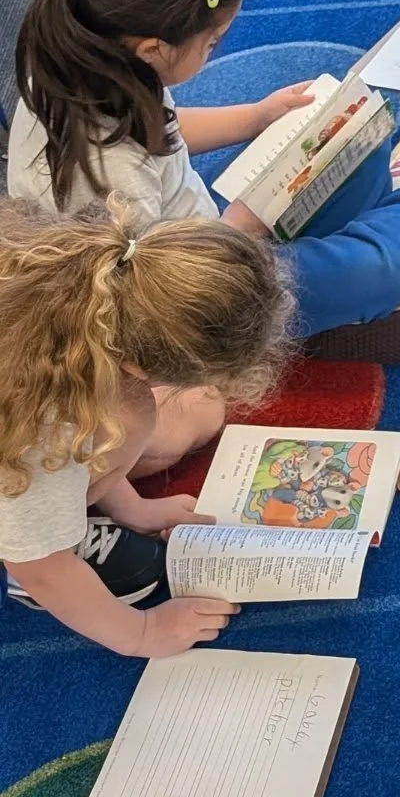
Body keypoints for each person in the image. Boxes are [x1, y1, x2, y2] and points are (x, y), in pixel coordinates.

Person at [7, 0, 400, 364]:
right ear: (153, 49)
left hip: (200, 239)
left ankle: (303, 327)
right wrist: (239, 229)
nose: (214, 50)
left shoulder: (90, 66)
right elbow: (151, 299)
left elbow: (163, 129)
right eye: (212, 43)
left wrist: (256, 118)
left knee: (355, 151)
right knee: (389, 266)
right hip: (184, 303)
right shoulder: (110, 180)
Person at [0, 199, 292, 655]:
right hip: (29, 473)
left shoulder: (81, 271)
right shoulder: (40, 427)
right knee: (133, 423)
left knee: (157, 420)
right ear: (134, 365)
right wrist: (141, 633)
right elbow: (40, 565)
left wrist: (130, 507)